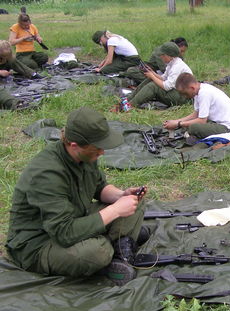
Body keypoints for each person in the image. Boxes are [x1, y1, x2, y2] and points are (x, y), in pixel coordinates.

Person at [6, 107, 148, 285]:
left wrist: (121, 195)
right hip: (39, 243)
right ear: (74, 145)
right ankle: (115, 246)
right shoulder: (47, 174)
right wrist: (115, 211)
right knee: (97, 252)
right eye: (97, 148)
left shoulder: (85, 156)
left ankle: (119, 246)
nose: (102, 152)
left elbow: (99, 187)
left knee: (135, 203)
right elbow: (64, 233)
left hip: (74, 216)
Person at [163, 73, 230, 143]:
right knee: (191, 124)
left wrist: (178, 124)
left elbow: (201, 121)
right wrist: (177, 121)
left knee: (193, 127)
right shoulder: (198, 91)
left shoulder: (204, 93)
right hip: (219, 122)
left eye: (185, 93)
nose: (184, 96)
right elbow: (196, 114)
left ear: (192, 88)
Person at [125, 42, 192, 109]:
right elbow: (164, 78)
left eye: (162, 55)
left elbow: (167, 86)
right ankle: (128, 99)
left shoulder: (177, 66)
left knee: (153, 86)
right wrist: (152, 73)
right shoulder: (171, 63)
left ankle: (130, 105)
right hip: (176, 92)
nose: (161, 57)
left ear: (169, 56)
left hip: (182, 97)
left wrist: (152, 76)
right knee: (150, 80)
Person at [122, 37, 188, 85]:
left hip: (164, 76)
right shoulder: (163, 52)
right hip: (157, 71)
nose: (182, 54)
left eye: (183, 52)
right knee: (131, 71)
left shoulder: (176, 57)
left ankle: (152, 84)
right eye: (181, 51)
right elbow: (163, 69)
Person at [0, 40, 40, 110]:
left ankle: (20, 105)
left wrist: (33, 74)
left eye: (5, 57)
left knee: (13, 61)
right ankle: (16, 105)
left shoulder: (9, 59)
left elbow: (18, 65)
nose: (3, 60)